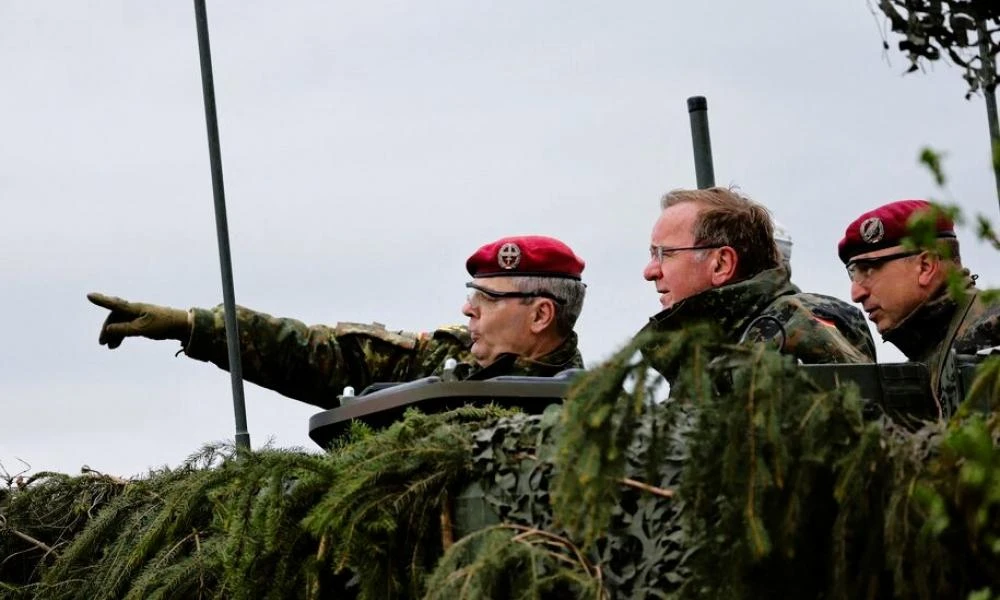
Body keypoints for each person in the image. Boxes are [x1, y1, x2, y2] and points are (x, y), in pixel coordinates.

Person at [88, 235, 587, 409]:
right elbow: (321, 353)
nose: (467, 309)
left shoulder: (584, 414)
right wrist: (190, 324)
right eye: (470, 295)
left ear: (541, 315)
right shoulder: (443, 360)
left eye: (487, 299)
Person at [639, 187, 875, 366]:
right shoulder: (720, 342)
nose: (649, 272)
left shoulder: (797, 326)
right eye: (652, 254)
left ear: (721, 264)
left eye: (665, 254)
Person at [838, 199, 1000, 415]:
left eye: (868, 270)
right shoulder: (926, 354)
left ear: (925, 266)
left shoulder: (992, 329)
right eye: (853, 275)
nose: (856, 294)